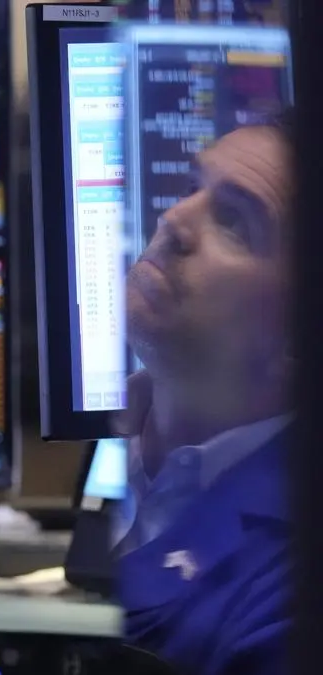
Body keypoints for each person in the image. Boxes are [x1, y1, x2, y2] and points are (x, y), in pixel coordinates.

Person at [114, 117, 294, 675]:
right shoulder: (119, 444)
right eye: (194, 188)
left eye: (235, 222)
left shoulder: (289, 594)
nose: (173, 220)